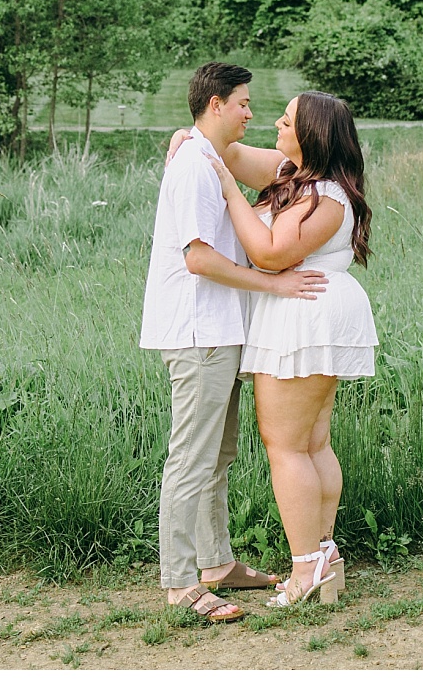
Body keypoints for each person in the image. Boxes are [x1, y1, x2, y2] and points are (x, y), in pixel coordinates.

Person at [140, 63, 330, 623]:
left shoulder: (209, 158)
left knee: (217, 455)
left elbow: (285, 169)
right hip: (197, 332)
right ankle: (179, 583)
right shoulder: (195, 166)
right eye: (244, 103)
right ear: (216, 105)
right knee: (191, 459)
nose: (252, 112)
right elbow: (197, 257)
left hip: (220, 332)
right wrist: (273, 282)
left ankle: (217, 564)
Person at [185, 90, 376, 607]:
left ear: (309, 133)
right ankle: (322, 555)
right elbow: (232, 154)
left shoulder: (325, 197)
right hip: (305, 314)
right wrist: (190, 140)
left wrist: (227, 192)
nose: (274, 122)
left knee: (288, 445)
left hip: (305, 316)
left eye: (286, 119)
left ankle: (305, 566)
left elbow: (269, 255)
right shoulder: (296, 173)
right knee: (312, 443)